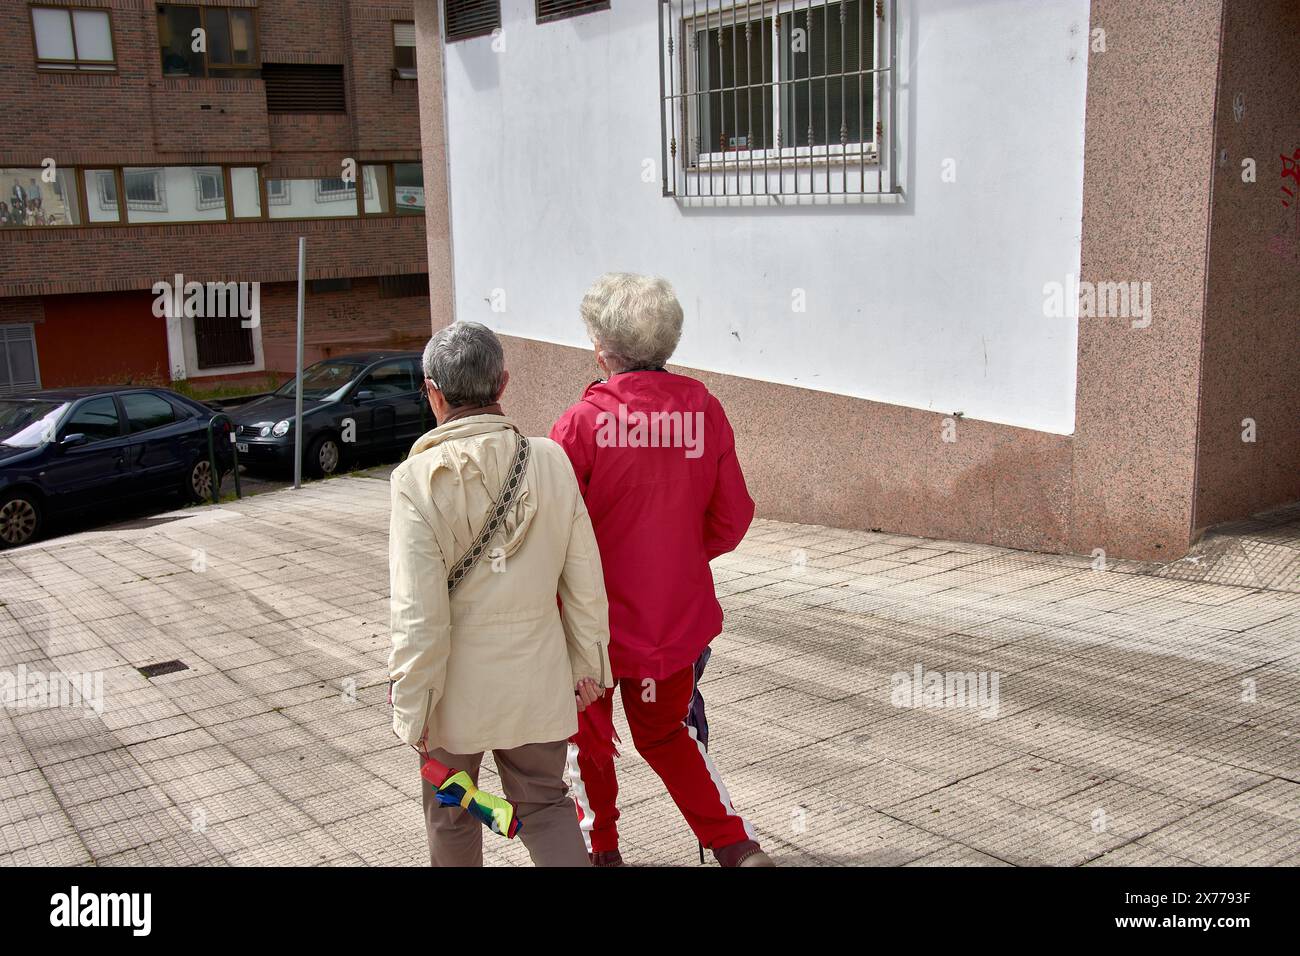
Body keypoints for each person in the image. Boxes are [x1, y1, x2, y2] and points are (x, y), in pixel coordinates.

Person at [551, 273, 773, 867]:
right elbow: (733, 518)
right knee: (666, 734)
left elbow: (549, 534)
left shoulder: (580, 425)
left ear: (602, 348)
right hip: (673, 620)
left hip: (591, 628)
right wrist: (675, 555)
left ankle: (603, 852)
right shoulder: (703, 410)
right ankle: (735, 846)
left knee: (588, 740)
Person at [388, 321, 612, 867]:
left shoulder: (415, 480)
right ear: (503, 383)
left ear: (433, 392)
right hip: (537, 677)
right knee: (546, 806)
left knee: (452, 812)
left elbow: (419, 616)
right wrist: (589, 667)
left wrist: (411, 704)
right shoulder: (551, 461)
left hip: (451, 693)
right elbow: (585, 579)